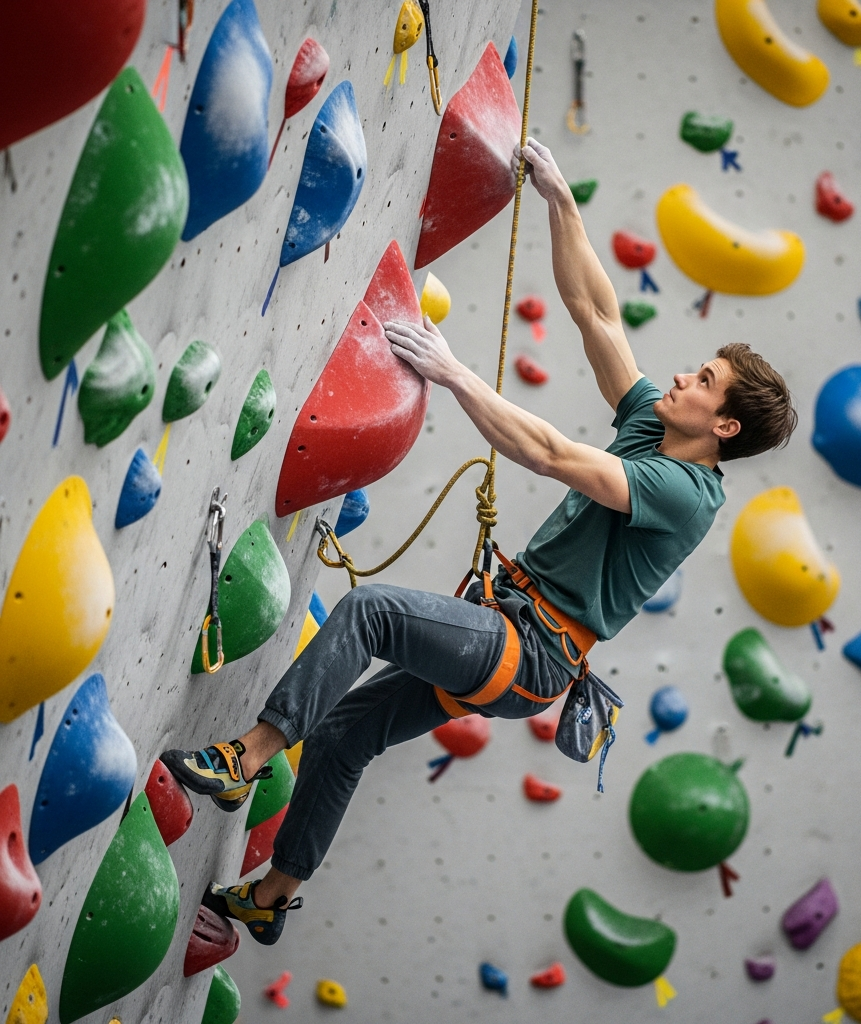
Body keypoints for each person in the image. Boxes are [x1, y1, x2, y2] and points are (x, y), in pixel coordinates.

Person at [162, 138, 797, 946]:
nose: (682, 378)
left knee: (371, 612)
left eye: (703, 382)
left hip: (531, 652)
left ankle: (244, 757)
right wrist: (561, 199)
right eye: (697, 370)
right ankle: (274, 893)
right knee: (348, 733)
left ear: (725, 427)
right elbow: (597, 312)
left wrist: (457, 374)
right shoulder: (655, 427)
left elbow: (552, 455)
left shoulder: (685, 491)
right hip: (509, 626)